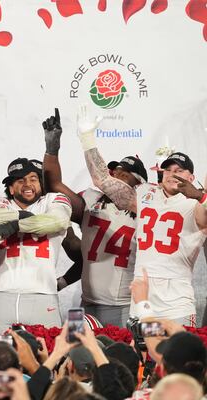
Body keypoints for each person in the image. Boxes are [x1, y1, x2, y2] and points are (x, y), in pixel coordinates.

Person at [77, 105, 207, 325]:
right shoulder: (146, 194)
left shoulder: (196, 202)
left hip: (176, 301)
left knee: (178, 356)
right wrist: (87, 138)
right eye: (168, 169)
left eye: (179, 170)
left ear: (192, 176)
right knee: (145, 356)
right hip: (143, 299)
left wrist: (200, 197)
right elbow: (103, 180)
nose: (172, 174)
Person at [42, 108, 148, 326]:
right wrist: (52, 149)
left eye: (123, 174)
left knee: (122, 358)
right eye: (114, 171)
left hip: (124, 305)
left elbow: (102, 179)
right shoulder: (92, 199)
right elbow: (53, 187)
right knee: (79, 356)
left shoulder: (145, 206)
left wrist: (87, 138)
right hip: (86, 302)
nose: (115, 175)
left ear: (139, 183)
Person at [0, 158, 72, 332]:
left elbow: (58, 221)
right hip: (4, 293)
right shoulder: (0, 204)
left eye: (33, 179)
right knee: (1, 353)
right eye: (20, 180)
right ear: (11, 188)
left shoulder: (53, 200)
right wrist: (22, 215)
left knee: (47, 353)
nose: (27, 184)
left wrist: (15, 224)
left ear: (41, 183)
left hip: (43, 293)